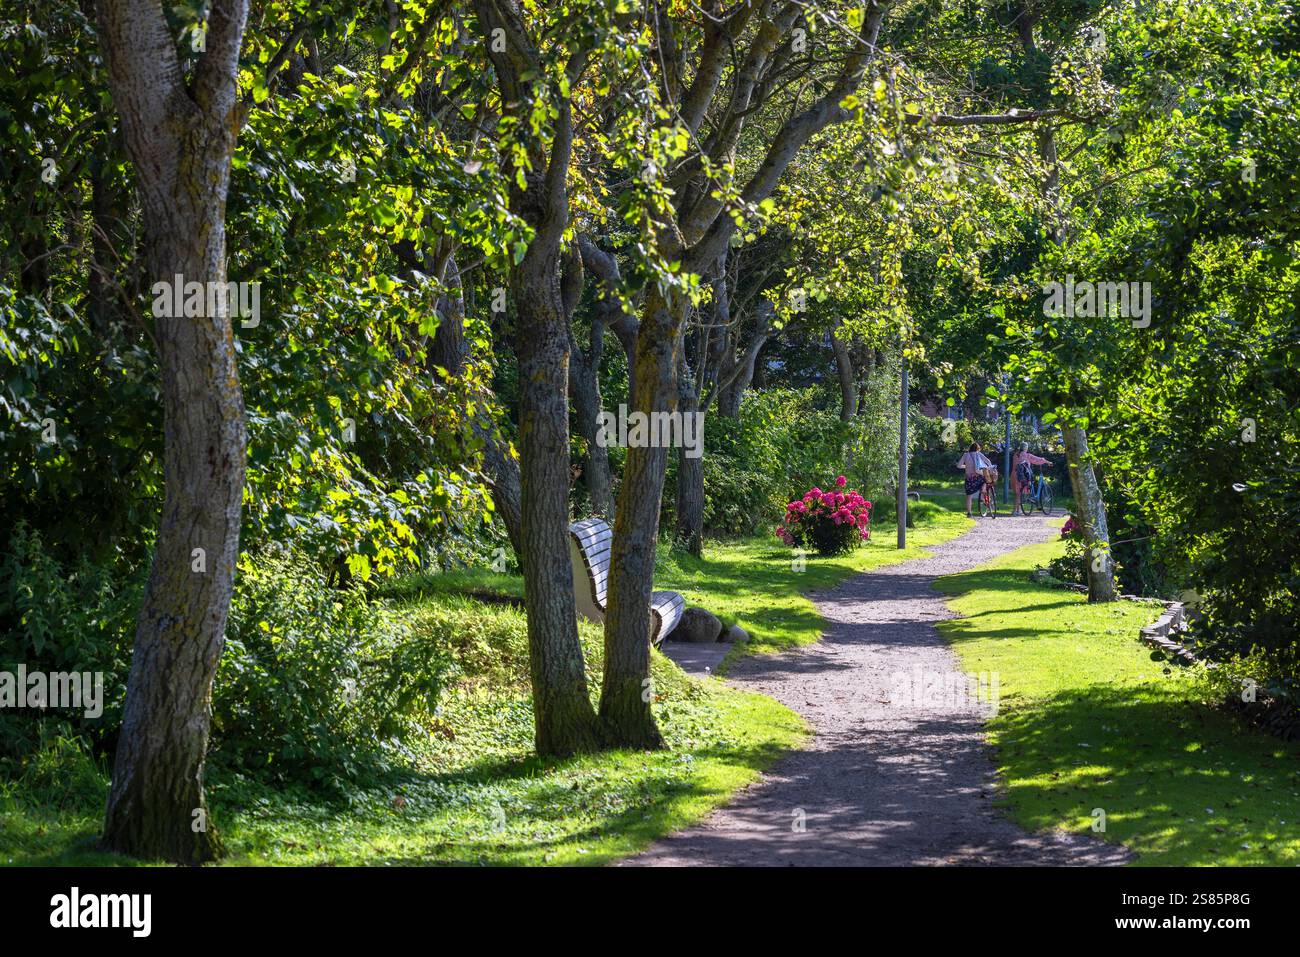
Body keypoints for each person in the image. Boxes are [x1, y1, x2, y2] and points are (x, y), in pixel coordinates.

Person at [957, 442, 995, 517]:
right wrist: (990, 467)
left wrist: (966, 466)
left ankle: (969, 513)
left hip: (969, 479)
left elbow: (959, 466)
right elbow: (987, 461)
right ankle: (983, 491)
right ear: (977, 449)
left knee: (969, 496)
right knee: (986, 480)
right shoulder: (978, 454)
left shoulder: (965, 455)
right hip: (978, 477)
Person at [1012, 442, 1051, 515]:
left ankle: (1016, 511)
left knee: (1017, 494)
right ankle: (1018, 510)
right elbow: (1038, 459)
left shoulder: (1016, 455)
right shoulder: (1027, 455)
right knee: (1028, 485)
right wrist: (1047, 462)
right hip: (1024, 475)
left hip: (1015, 475)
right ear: (1026, 448)